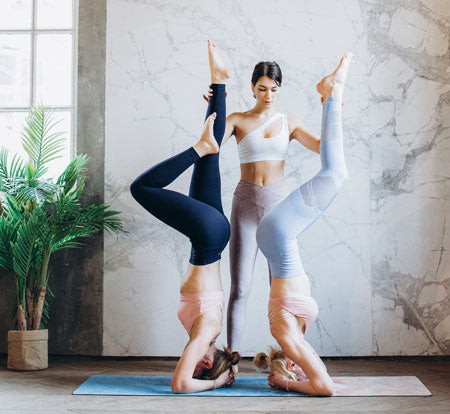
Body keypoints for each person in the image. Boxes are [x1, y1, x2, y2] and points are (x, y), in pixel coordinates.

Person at [130, 41, 240, 393]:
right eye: (198, 364)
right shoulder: (207, 332)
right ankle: (199, 145)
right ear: (205, 363)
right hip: (208, 239)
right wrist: (217, 382)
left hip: (208, 238)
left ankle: (219, 83)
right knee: (143, 188)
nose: (189, 360)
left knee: (211, 153)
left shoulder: (203, 331)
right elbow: (179, 385)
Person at [203, 58, 323, 355]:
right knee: (240, 288)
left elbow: (323, 146)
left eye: (274, 89)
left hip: (278, 209)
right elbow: (210, 140)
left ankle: (290, 355)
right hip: (245, 204)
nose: (268, 95)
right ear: (252, 89)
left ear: (279, 89)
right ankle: (231, 357)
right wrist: (213, 105)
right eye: (262, 88)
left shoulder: (289, 124)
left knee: (281, 291)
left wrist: (332, 107)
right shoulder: (238, 120)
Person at [253, 52, 353, 396]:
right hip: (279, 237)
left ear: (286, 363)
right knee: (335, 171)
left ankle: (332, 93)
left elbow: (323, 388)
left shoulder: (285, 338)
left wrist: (283, 381)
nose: (300, 367)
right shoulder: (294, 345)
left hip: (277, 235)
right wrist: (300, 376)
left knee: (335, 173)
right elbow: (327, 380)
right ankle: (329, 95)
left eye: (293, 368)